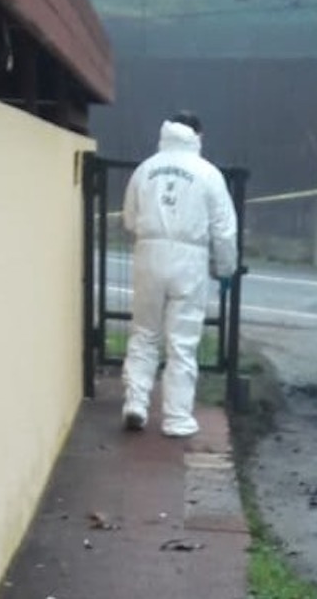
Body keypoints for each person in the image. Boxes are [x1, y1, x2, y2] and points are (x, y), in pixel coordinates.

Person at [121, 111, 238, 437]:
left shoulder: (145, 169)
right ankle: (176, 418)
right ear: (198, 135)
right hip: (190, 261)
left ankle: (135, 402)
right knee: (182, 342)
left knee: (144, 333)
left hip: (149, 255)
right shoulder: (208, 174)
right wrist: (225, 268)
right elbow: (224, 230)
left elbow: (129, 219)